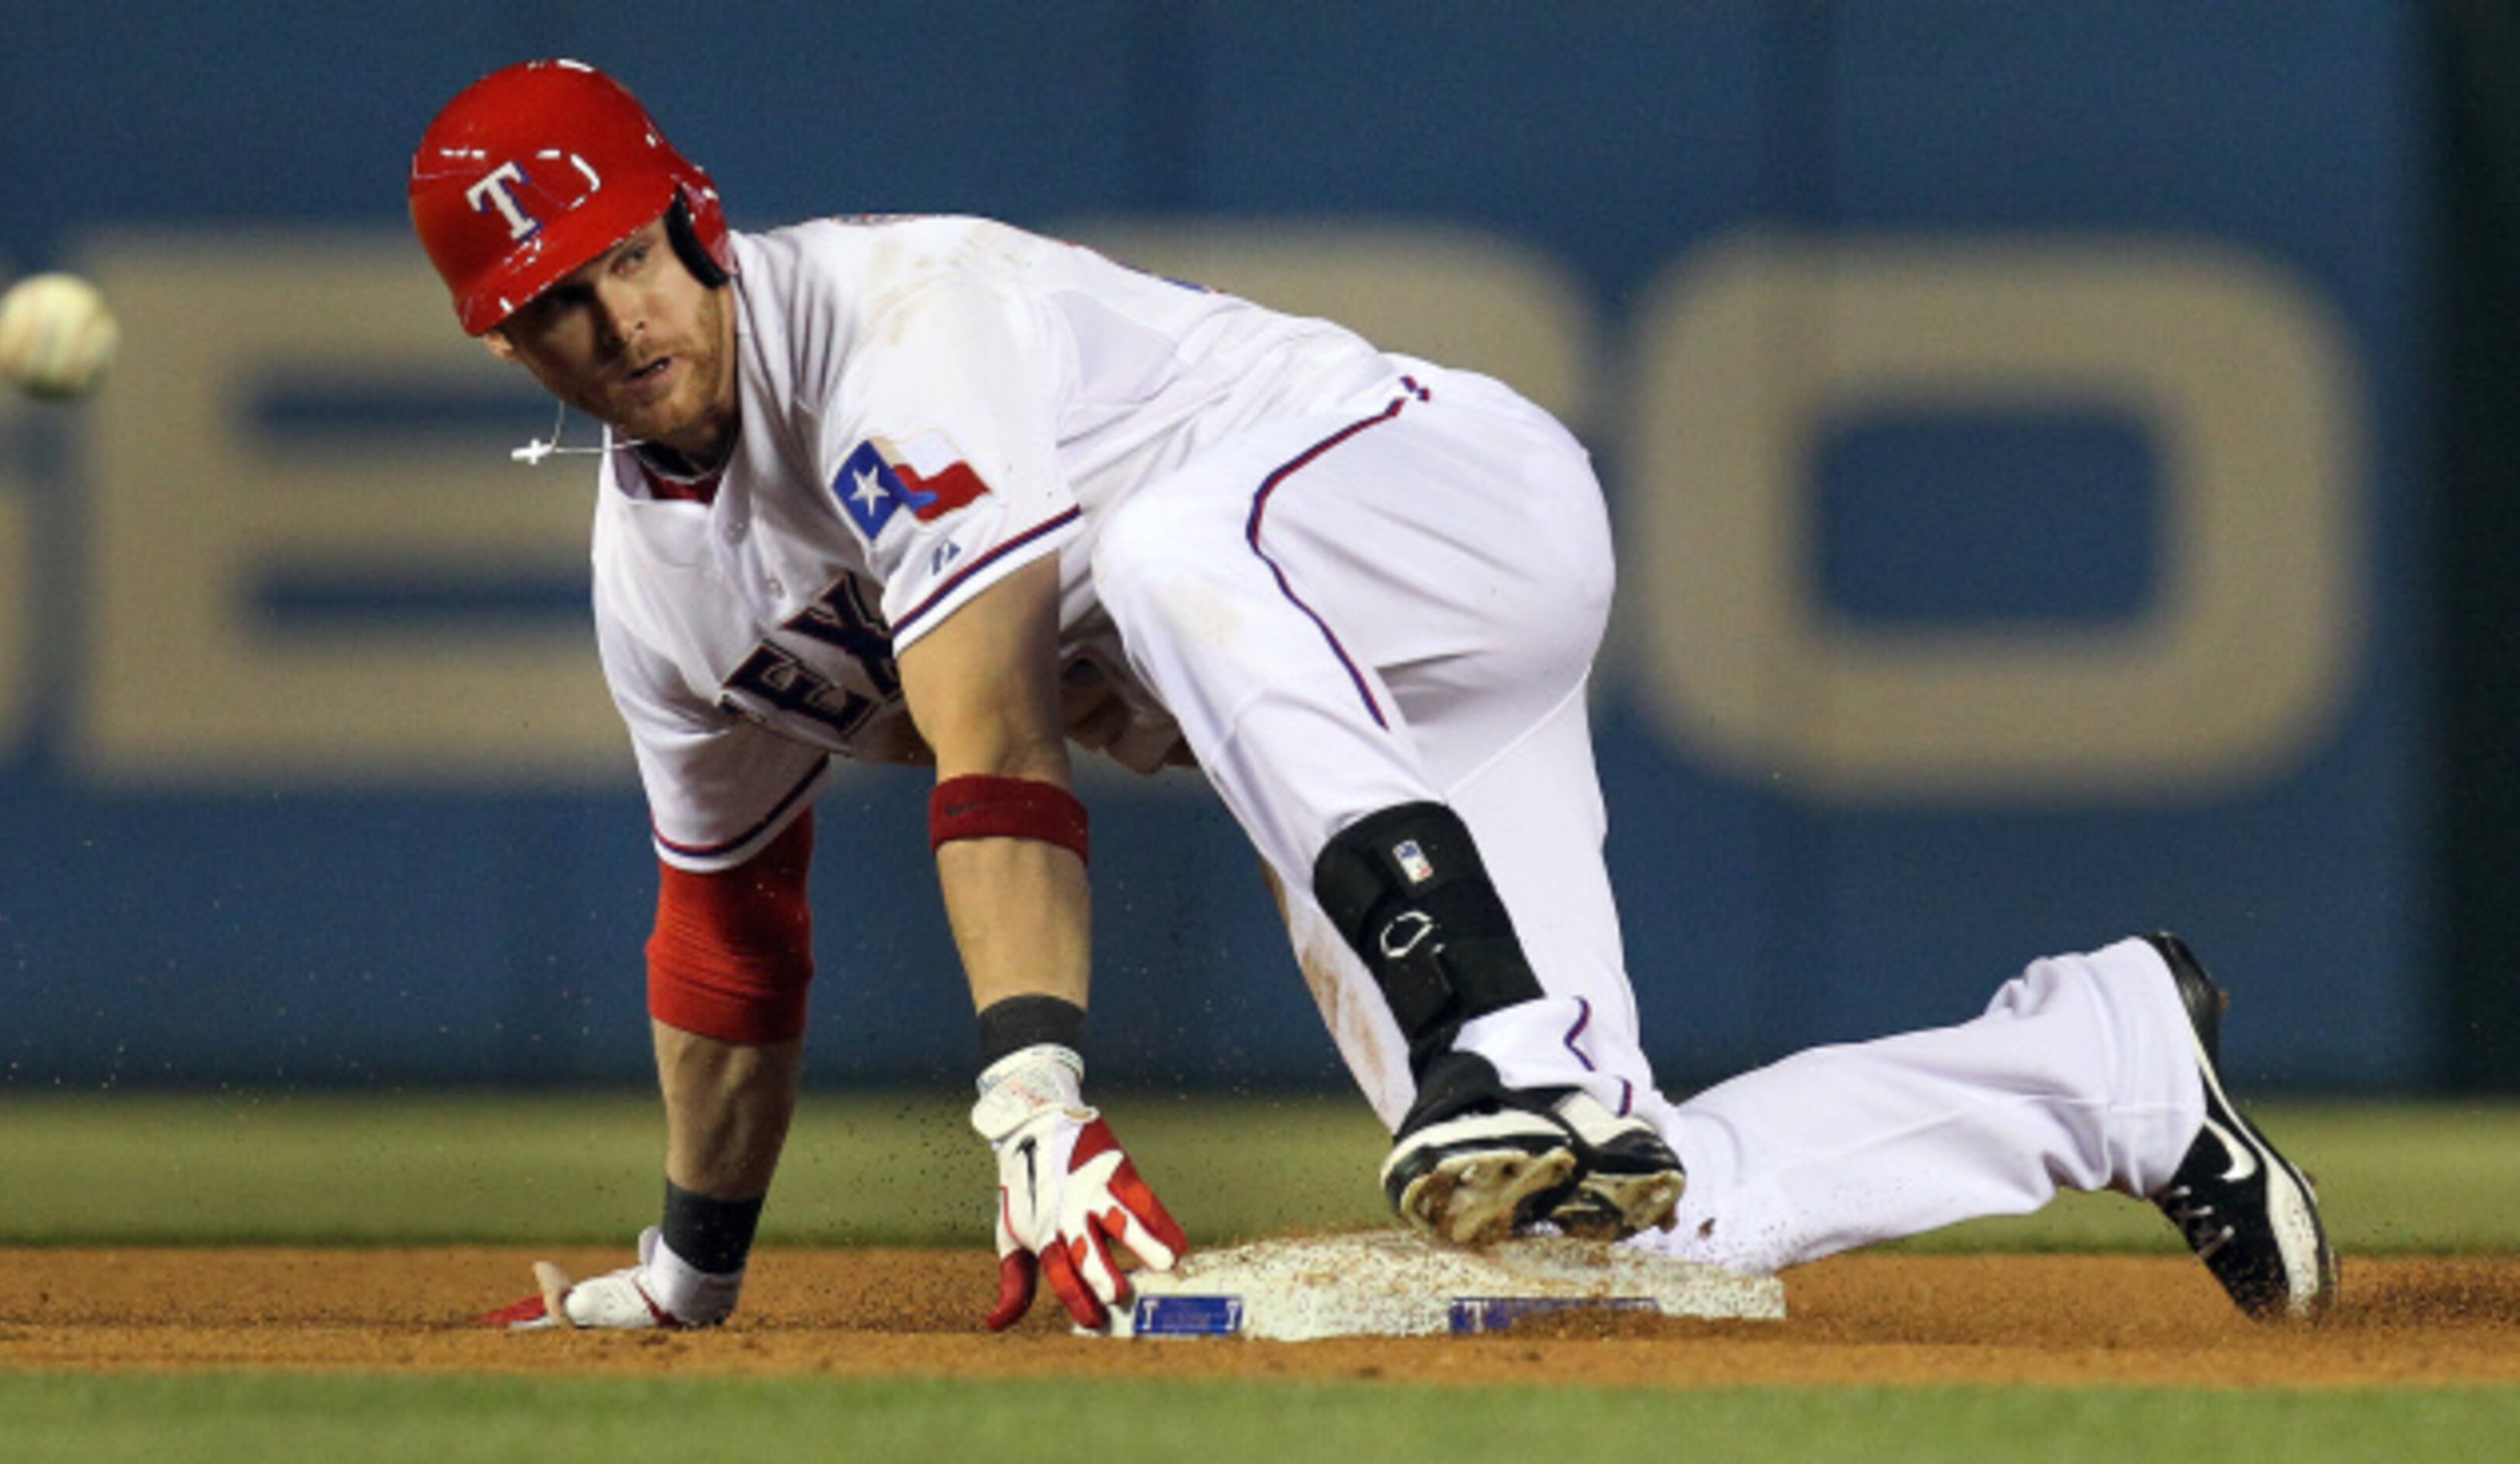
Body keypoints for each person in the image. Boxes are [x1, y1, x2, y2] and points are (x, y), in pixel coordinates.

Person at [411, 59, 2333, 1333]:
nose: (613, 324)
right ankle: (2105, 1063)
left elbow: (993, 737)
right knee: (1608, 1222)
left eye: (622, 260)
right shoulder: (663, 587)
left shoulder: (900, 330)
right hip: (1362, 711)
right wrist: (687, 1273)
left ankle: (1470, 1012)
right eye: (550, 310)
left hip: (1437, 506)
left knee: (1160, 553)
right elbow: (729, 940)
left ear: (695, 219)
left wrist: (1031, 1090)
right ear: (506, 344)